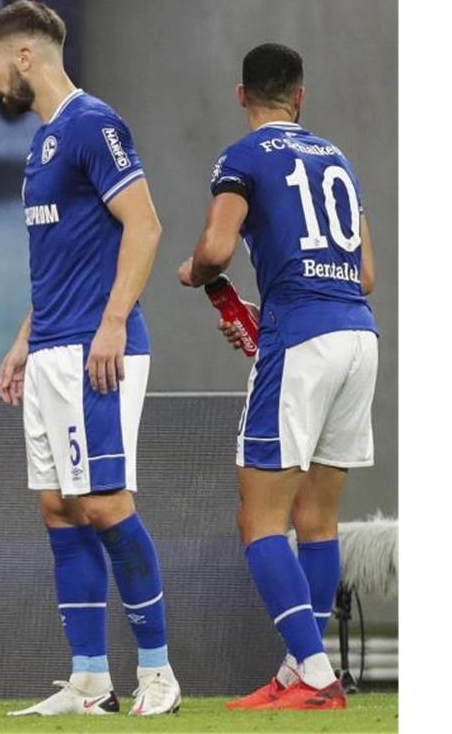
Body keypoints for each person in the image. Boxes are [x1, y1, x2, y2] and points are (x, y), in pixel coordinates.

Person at [0, 0, 181, 717]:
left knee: (103, 503)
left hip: (100, 352)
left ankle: (157, 674)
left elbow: (146, 225)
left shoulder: (94, 123)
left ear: (26, 56)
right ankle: (91, 680)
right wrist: (23, 340)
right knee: (60, 509)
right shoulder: (42, 143)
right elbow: (63, 257)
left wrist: (114, 323)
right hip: (54, 349)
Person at [178, 43, 377, 711]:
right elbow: (365, 273)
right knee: (317, 520)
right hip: (358, 335)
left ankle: (317, 677)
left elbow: (216, 247)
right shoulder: (338, 158)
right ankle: (300, 669)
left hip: (301, 343)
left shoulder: (243, 157)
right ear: (301, 95)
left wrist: (196, 273)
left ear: (243, 95)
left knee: (259, 520)